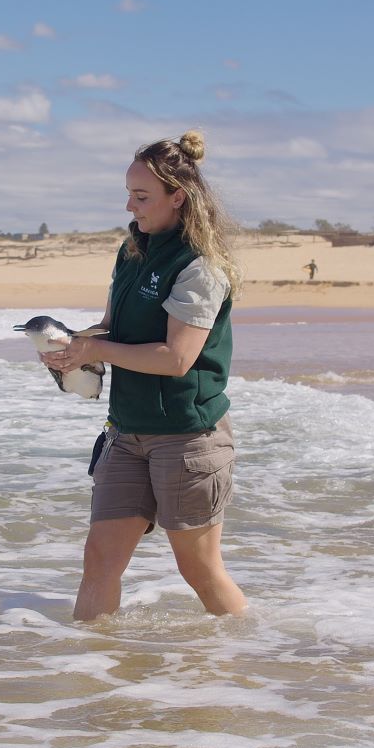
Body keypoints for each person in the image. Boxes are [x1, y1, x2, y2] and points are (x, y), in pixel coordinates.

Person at [41, 130, 247, 621]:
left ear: (179, 197)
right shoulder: (132, 250)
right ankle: (91, 675)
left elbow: (177, 358)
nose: (131, 207)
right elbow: (112, 329)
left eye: (142, 196)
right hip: (126, 431)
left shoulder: (201, 265)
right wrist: (72, 346)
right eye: (128, 194)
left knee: (198, 570)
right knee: (100, 561)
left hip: (188, 437)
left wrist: (97, 348)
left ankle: (251, 661)